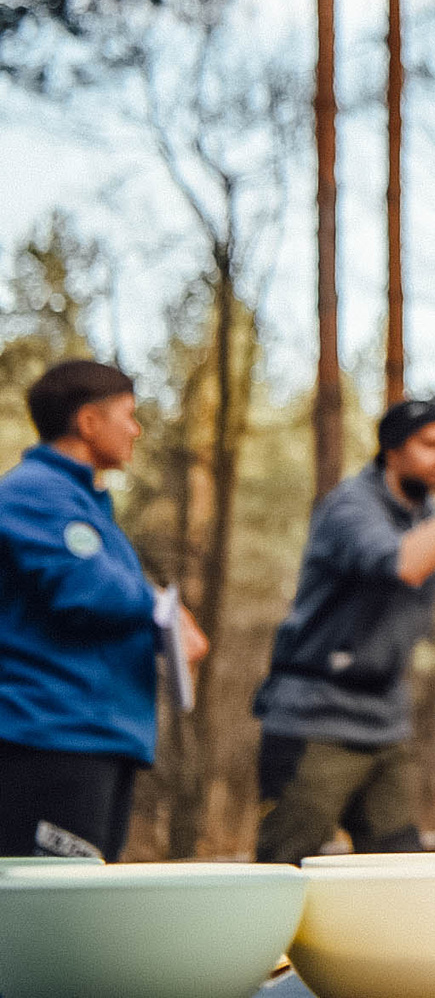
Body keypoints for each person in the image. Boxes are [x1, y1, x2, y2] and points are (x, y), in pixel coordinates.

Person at [251, 397, 435, 863]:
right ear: (391, 450)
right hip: (313, 717)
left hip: (385, 722)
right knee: (283, 864)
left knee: (400, 869)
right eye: (430, 445)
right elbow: (404, 563)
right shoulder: (349, 507)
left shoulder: (429, 517)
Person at [0, 361, 205, 859]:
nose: (136, 429)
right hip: (50, 739)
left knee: (82, 903)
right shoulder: (33, 493)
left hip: (96, 740)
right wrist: (164, 610)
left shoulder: (84, 505)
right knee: (51, 920)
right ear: (88, 422)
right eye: (128, 415)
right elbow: (84, 588)